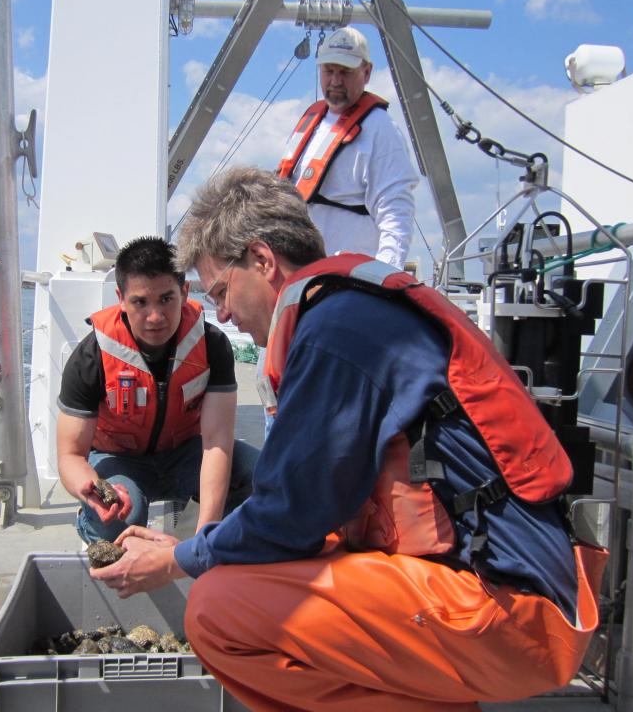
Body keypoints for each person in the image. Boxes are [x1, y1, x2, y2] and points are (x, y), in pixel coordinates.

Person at [90, 168, 606, 711]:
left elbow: (286, 514)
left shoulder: (334, 330)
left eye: (220, 290)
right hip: (507, 589)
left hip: (507, 607)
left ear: (262, 261)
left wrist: (179, 562)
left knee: (217, 612)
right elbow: (304, 518)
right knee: (237, 570)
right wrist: (193, 550)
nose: (220, 313)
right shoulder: (350, 311)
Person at [56, 236, 257, 543]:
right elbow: (70, 455)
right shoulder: (91, 357)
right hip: (119, 460)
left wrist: (206, 535)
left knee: (263, 475)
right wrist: (92, 488)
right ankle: (96, 530)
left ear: (185, 292)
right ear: (121, 298)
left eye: (166, 299)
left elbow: (217, 440)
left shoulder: (211, 345)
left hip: (186, 455)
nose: (155, 316)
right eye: (140, 302)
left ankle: (193, 536)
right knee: (118, 514)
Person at [277, 25, 419, 268]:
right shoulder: (312, 122)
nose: (335, 81)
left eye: (345, 72)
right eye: (329, 70)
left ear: (366, 72)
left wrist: (384, 276)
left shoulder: (380, 129)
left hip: (344, 278)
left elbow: (396, 210)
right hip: (301, 271)